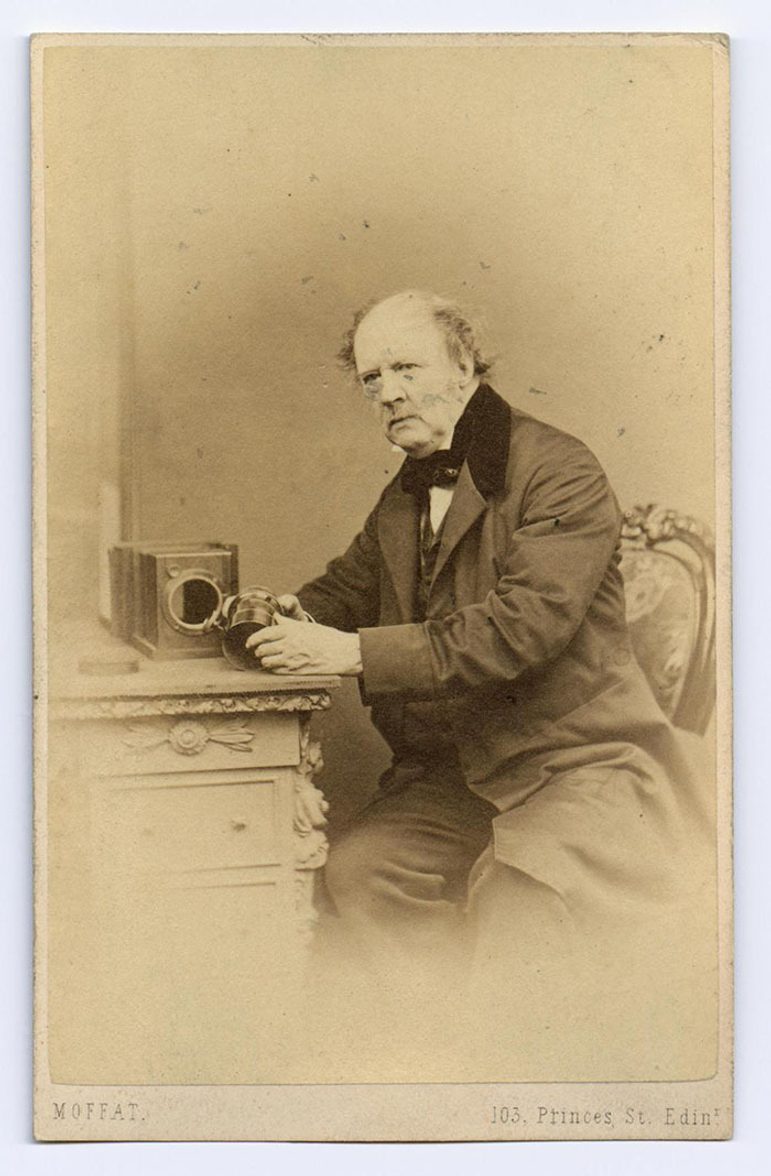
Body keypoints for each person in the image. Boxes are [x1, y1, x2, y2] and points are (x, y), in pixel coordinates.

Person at [249, 290, 716, 1080]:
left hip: (577, 764)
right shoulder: (405, 490)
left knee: (523, 896)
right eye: (370, 379)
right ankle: (429, 1068)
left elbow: (521, 629)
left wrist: (347, 653)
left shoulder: (558, 470)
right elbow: (346, 587)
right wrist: (281, 613)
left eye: (406, 367)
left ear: (464, 366)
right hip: (459, 777)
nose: (388, 392)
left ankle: (516, 1089)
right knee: (361, 871)